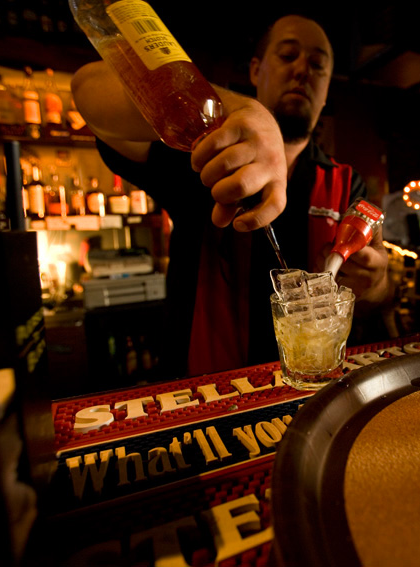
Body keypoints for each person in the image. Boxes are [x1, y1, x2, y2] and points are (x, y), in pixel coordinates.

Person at [71, 14, 388, 377]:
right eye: (288, 56)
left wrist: (375, 284)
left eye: (318, 65)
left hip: (315, 400)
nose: (303, 71)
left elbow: (378, 297)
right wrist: (237, 110)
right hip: (204, 397)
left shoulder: (346, 183)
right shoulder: (204, 151)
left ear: (328, 86)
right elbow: (87, 89)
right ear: (256, 70)